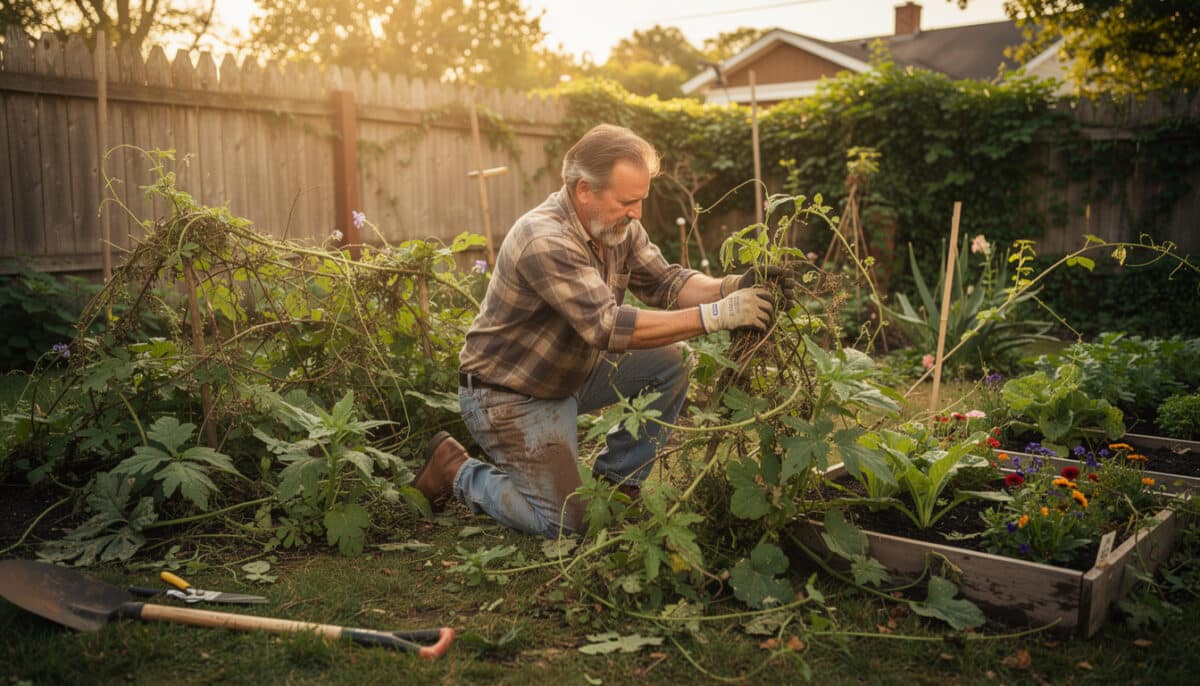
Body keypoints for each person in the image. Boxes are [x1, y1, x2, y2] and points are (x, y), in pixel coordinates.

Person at [414, 124, 790, 538]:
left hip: (571, 372)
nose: (637, 213)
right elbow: (606, 326)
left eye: (641, 200)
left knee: (672, 361)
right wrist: (718, 315)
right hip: (509, 394)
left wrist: (730, 286)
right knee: (566, 522)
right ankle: (455, 471)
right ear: (584, 190)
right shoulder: (544, 238)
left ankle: (616, 484)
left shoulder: (616, 227)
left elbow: (666, 282)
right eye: (627, 201)